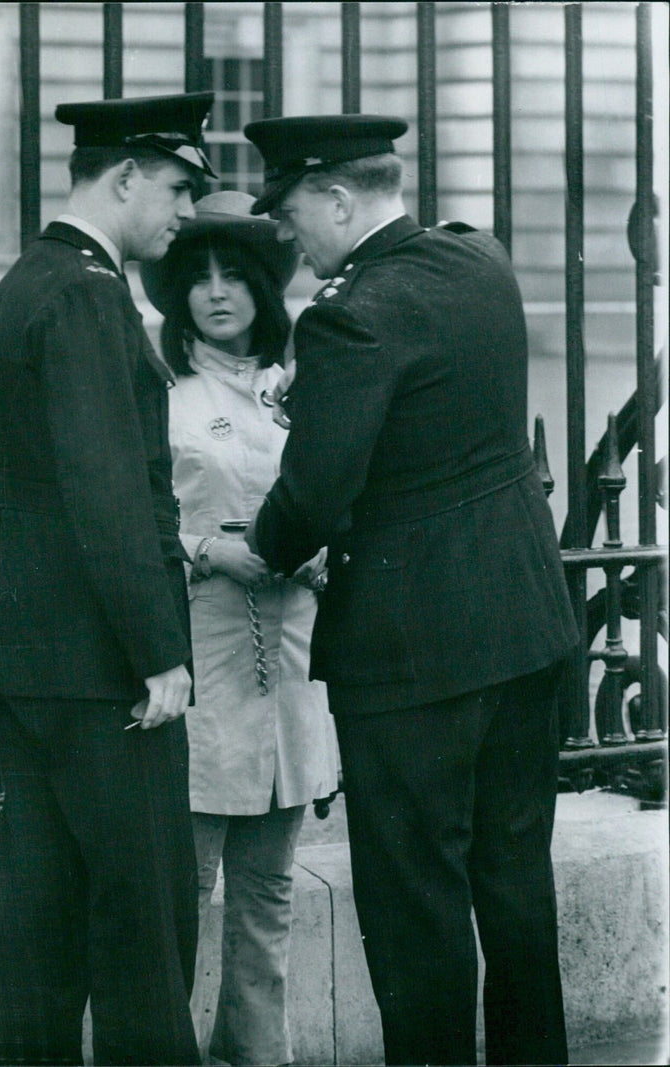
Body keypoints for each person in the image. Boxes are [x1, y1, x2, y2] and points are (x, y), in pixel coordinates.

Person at [242, 114, 580, 1066]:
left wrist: (256, 545)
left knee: (414, 905)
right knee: (516, 882)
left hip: (412, 654)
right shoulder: (481, 261)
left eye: (295, 214)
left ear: (341, 199)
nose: (292, 240)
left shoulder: (350, 314)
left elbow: (312, 497)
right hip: (524, 623)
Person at [0, 92, 216, 1067]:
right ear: (122, 179)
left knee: (38, 933)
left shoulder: (24, 284)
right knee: (145, 936)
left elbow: (0, 497)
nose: (184, 212)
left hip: (29, 658)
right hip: (107, 671)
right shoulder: (86, 293)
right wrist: (158, 652)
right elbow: (106, 490)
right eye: (177, 187)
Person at [140, 190, 339, 1067]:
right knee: (183, 893)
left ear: (264, 284)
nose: (216, 293)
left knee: (269, 898)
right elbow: (125, 517)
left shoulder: (302, 384)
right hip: (202, 662)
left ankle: (259, 1055)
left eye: (235, 275)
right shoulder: (163, 393)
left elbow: (344, 487)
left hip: (291, 666)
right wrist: (207, 552)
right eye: (199, 278)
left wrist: (322, 548)